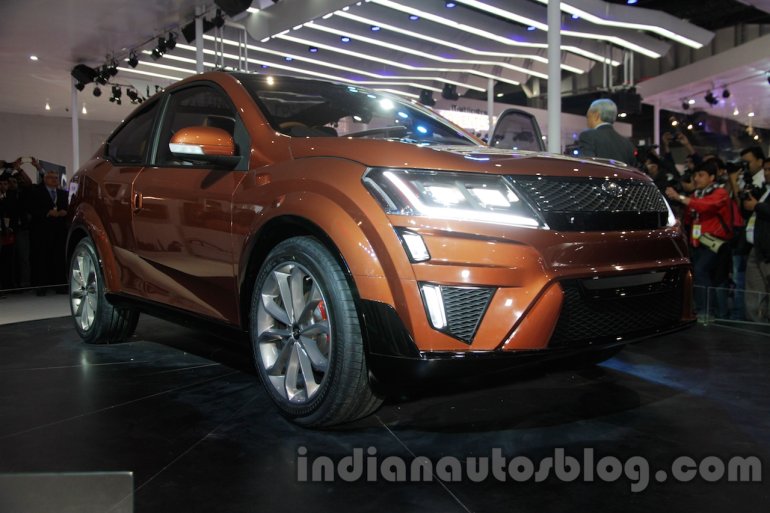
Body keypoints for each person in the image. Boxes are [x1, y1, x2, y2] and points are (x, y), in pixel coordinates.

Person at [666, 161, 733, 319]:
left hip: (715, 243)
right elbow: (692, 214)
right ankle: (710, 311)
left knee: (705, 272)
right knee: (704, 275)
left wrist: (680, 197)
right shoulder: (697, 194)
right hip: (697, 242)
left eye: (701, 175)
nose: (696, 178)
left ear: (712, 177)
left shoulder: (720, 193)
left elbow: (706, 206)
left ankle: (707, 311)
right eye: (695, 175)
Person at [28, 169, 69, 295]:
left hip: (59, 231)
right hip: (42, 231)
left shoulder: (63, 194)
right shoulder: (37, 192)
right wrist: (47, 212)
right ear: (45, 179)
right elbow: (31, 209)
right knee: (42, 258)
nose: (54, 180)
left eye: (56, 178)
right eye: (51, 177)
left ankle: (60, 286)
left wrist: (64, 212)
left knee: (58, 258)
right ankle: (42, 287)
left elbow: (68, 208)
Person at [741, 151, 770, 322]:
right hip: (757, 246)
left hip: (767, 250)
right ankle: (755, 326)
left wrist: (757, 206)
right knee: (754, 291)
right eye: (765, 170)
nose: (766, 173)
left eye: (769, 170)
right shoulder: (765, 190)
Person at [577, 98, 636, 166]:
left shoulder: (588, 136)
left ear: (596, 115)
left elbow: (587, 166)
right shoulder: (628, 144)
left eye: (588, 116)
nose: (587, 120)